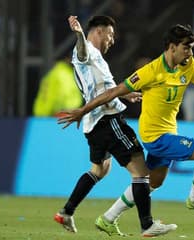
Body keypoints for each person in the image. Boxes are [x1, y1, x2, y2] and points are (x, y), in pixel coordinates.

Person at [57, 24, 194, 236]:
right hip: (155, 137)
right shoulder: (151, 71)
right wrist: (83, 110)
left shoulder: (189, 66)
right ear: (172, 47)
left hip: (169, 131)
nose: (190, 53)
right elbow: (113, 92)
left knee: (152, 182)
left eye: (191, 48)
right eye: (186, 48)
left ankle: (108, 218)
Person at [54, 15, 177, 237]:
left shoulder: (97, 59)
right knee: (141, 172)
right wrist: (79, 34)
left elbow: (103, 87)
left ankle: (67, 212)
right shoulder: (87, 51)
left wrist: (125, 95)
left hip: (94, 124)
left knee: (100, 170)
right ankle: (147, 224)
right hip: (108, 120)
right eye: (110, 35)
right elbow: (81, 50)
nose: (112, 40)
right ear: (99, 31)